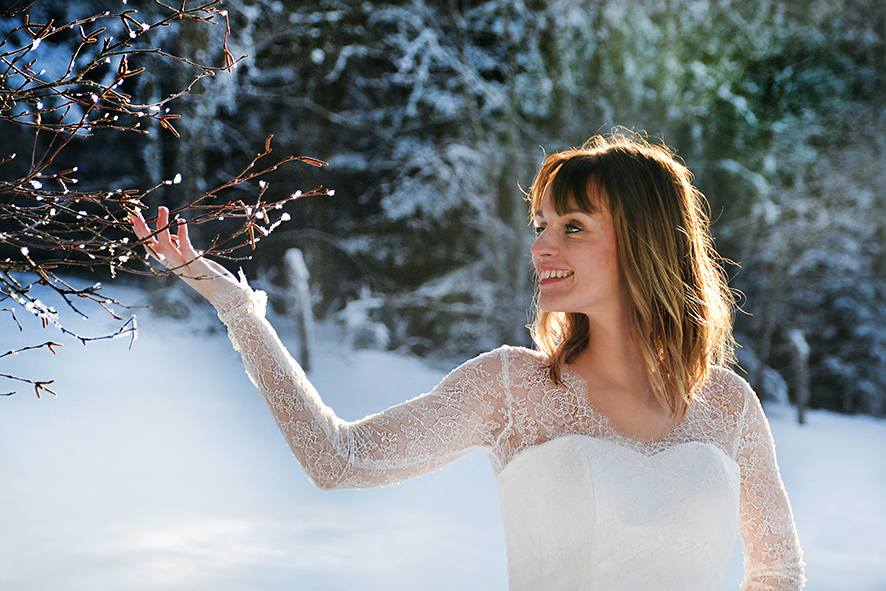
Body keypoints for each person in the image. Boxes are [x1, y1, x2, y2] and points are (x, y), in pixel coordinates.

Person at [130, 132, 805, 590]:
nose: (542, 245)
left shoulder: (728, 404)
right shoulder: (512, 386)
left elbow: (777, 572)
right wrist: (238, 310)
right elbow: (338, 459)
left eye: (572, 226)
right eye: (540, 224)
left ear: (645, 241)